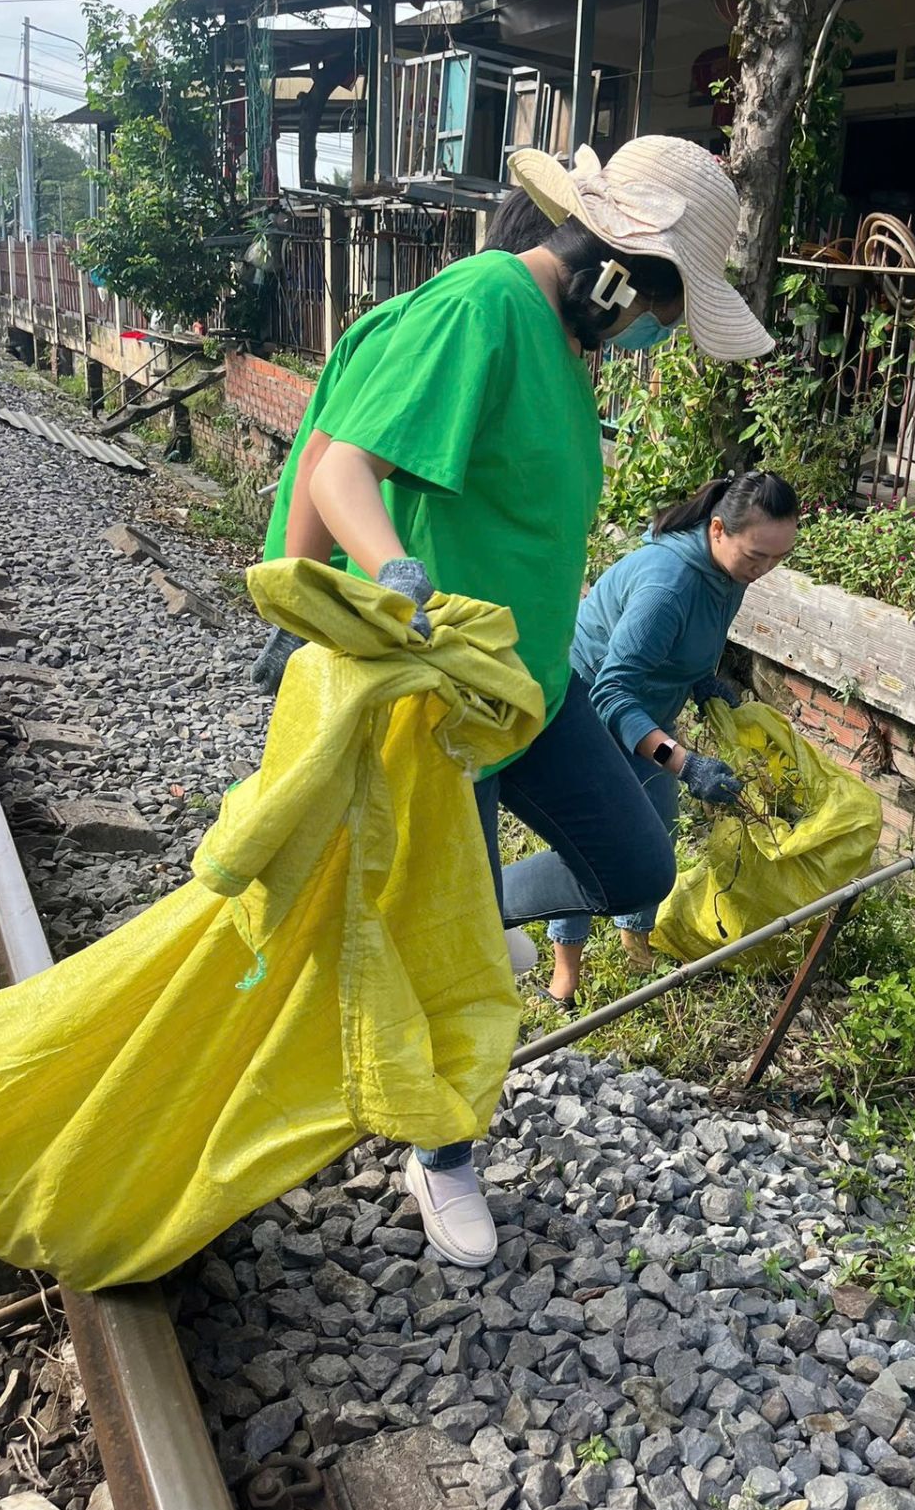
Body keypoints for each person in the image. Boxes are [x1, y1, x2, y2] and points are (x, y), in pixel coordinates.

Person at [251, 136, 774, 1266]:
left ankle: (469, 919)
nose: (650, 340)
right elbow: (342, 465)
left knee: (634, 867)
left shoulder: (560, 347)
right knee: (455, 956)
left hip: (534, 688)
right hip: (446, 699)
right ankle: (439, 1157)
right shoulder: (482, 306)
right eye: (663, 314)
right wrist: (387, 577)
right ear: (622, 275)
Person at [532, 470, 799, 1008]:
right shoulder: (668, 584)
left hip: (646, 707)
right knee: (586, 841)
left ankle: (636, 950)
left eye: (778, 558)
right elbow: (611, 693)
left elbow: (686, 642)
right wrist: (684, 763)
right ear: (718, 529)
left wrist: (702, 682)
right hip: (587, 712)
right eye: (756, 556)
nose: (764, 570)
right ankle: (565, 978)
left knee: (655, 833)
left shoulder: (730, 574)